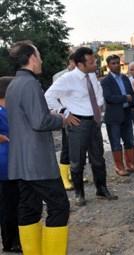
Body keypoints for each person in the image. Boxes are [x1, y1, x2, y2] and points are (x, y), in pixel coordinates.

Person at [6, 41, 70, 254]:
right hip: (38, 162)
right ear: (32, 58)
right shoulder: (31, 84)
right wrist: (60, 119)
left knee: (29, 207)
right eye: (39, 55)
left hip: (20, 162)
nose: (41, 59)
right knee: (59, 206)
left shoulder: (13, 85)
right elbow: (39, 121)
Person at [45, 47, 117, 207]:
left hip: (94, 121)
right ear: (80, 64)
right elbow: (48, 96)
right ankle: (79, 193)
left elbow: (97, 92)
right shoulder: (67, 79)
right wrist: (64, 112)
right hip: (78, 123)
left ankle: (101, 188)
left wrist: (99, 106)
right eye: (91, 62)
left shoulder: (91, 75)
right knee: (77, 161)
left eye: (94, 60)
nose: (95, 64)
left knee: (98, 158)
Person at [101, 55, 134, 176]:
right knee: (115, 142)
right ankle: (119, 166)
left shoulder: (125, 78)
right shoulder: (105, 81)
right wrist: (125, 98)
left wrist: (133, 103)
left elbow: (131, 93)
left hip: (126, 113)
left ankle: (132, 165)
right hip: (113, 116)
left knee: (129, 140)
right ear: (108, 66)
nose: (116, 65)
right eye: (113, 63)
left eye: (117, 63)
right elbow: (109, 98)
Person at [0, 76, 21, 253]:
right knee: (7, 205)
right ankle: (10, 242)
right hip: (4, 165)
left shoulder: (12, 109)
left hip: (16, 163)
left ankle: (17, 237)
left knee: (17, 202)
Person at [51, 53, 76, 191]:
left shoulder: (80, 76)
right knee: (66, 146)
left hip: (79, 115)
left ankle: (73, 173)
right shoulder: (59, 76)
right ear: (71, 61)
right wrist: (63, 114)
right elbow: (55, 98)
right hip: (66, 115)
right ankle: (64, 177)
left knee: (76, 147)